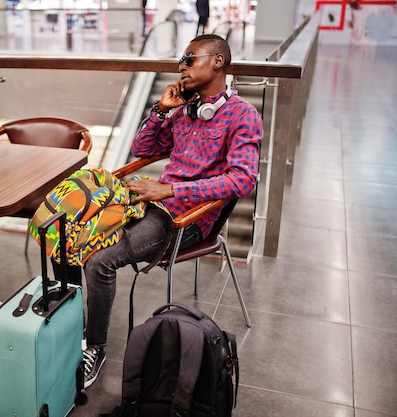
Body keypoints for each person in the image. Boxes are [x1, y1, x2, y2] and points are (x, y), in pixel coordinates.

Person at [71, 34, 262, 388]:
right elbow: (142, 147)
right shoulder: (187, 110)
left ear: (217, 61)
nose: (181, 67)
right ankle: (64, 328)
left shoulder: (242, 116)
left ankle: (94, 348)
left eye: (189, 58)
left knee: (99, 261)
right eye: (181, 61)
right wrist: (162, 110)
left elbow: (243, 180)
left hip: (185, 217)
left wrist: (171, 189)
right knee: (72, 233)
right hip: (152, 202)